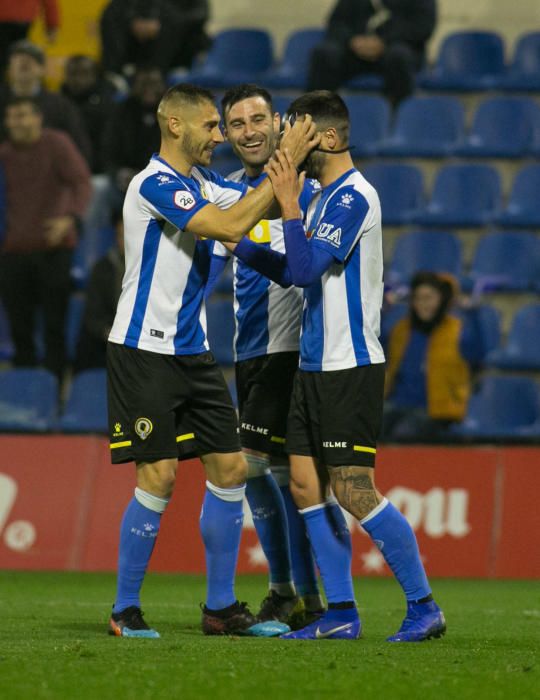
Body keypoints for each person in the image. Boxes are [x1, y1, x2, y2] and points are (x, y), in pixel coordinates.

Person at [226, 90, 446, 641]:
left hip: (349, 366)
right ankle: (341, 614)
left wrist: (288, 203)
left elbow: (304, 271)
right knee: (303, 484)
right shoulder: (324, 196)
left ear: (324, 138)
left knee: (353, 488)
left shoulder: (352, 196)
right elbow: (293, 269)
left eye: (296, 131)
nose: (286, 140)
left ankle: (424, 605)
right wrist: (240, 244)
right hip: (313, 364)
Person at [105, 82, 318, 639]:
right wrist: (287, 157)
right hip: (143, 349)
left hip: (193, 354)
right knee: (159, 475)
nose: (220, 137)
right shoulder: (153, 184)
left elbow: (250, 215)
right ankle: (125, 610)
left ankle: (221, 608)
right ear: (175, 125)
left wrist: (289, 171)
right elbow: (227, 227)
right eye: (212, 127)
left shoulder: (206, 184)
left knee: (229, 470)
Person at [204, 84, 324, 626]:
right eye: (237, 123)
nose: (250, 130)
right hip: (246, 351)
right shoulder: (230, 195)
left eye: (258, 118)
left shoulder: (306, 189)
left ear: (278, 121)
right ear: (226, 133)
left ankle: (287, 590)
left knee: (249, 468)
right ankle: (303, 595)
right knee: (279, 477)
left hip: (287, 348)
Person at [0, 96, 91, 381]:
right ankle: (25, 396)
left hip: (54, 248)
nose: (18, 122)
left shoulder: (57, 144)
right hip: (13, 252)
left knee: (55, 327)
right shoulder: (3, 154)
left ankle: (56, 392)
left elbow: (82, 182)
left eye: (24, 115)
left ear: (38, 118)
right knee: (19, 329)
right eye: (12, 116)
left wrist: (71, 219)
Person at [382, 271, 484, 442]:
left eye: (429, 298)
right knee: (368, 426)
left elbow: (477, 354)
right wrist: (382, 313)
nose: (423, 304)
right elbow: (378, 348)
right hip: (398, 404)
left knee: (404, 432)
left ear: (441, 300)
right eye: (418, 298)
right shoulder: (401, 329)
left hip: (438, 410)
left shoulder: (456, 330)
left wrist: (473, 316)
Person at [307, 0, 437, 106]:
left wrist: (384, 42)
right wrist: (352, 40)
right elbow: (336, 23)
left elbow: (423, 27)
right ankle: (315, 120)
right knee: (324, 53)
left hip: (394, 51)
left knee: (399, 56)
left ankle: (401, 122)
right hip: (354, 51)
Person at [0, 40, 92, 164]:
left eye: (32, 60)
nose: (24, 62)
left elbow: (80, 148)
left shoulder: (61, 106)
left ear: (43, 70)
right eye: (18, 59)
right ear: (8, 69)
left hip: (50, 175)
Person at [100, 0, 210, 84]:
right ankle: (114, 74)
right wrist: (134, 21)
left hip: (179, 47)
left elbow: (200, 14)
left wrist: (161, 22)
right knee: (111, 15)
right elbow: (122, 7)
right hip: (139, 44)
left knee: (170, 24)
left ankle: (157, 76)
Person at [101, 66, 165, 202]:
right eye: (144, 84)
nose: (149, 89)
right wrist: (118, 173)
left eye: (154, 84)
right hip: (126, 179)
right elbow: (109, 150)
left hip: (164, 178)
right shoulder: (120, 112)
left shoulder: (172, 113)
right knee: (100, 187)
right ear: (133, 86)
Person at [73, 211, 124, 373]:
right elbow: (93, 315)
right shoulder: (103, 268)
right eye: (121, 236)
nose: (126, 241)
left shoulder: (153, 270)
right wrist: (108, 333)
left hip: (143, 341)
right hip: (106, 340)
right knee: (88, 338)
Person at [61, 55, 117, 175]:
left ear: (95, 75)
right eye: (73, 74)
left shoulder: (106, 105)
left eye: (84, 73)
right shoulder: (58, 104)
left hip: (100, 170)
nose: (78, 79)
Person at [0, 0, 59, 74]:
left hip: (12, 19)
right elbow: (50, 3)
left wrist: (52, 25)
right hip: (23, 19)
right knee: (22, 58)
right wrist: (52, 26)